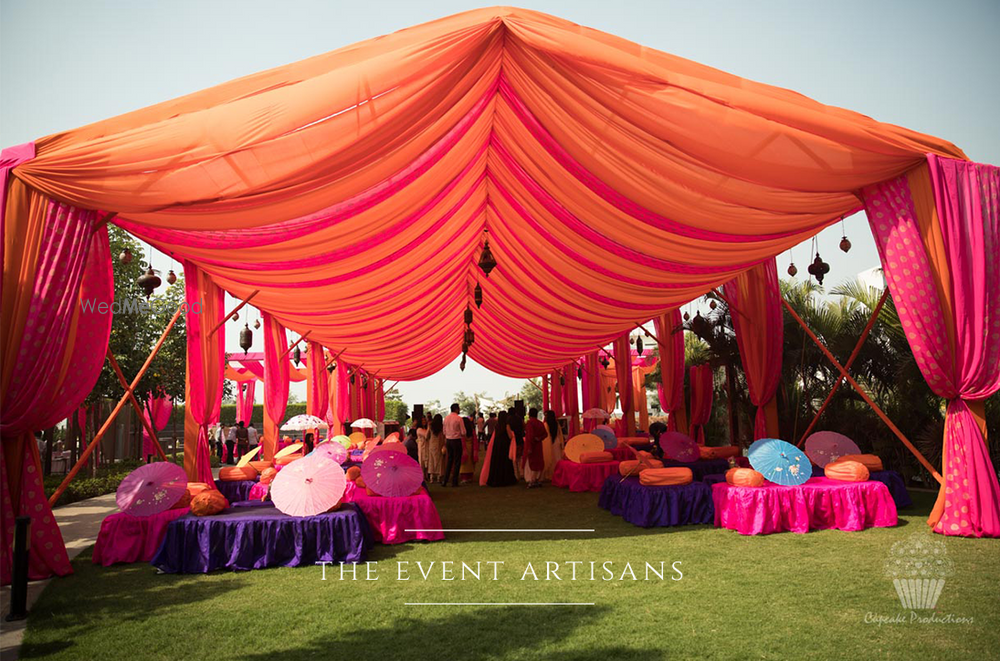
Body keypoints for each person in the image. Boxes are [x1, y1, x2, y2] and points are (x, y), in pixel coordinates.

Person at [480, 410, 517, 487]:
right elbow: (510, 436)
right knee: (505, 463)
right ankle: (506, 479)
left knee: (497, 463)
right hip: (505, 446)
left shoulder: (497, 426)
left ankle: (497, 479)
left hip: (497, 446)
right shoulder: (506, 425)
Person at [522, 408, 547, 488]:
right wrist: (539, 438)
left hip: (531, 445)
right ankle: (538, 479)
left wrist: (529, 447)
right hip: (539, 445)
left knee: (531, 463)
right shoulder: (540, 423)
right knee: (539, 462)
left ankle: (531, 480)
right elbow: (545, 434)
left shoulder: (530, 423)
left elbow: (530, 436)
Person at [442, 403, 464, 487]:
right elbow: (463, 432)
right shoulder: (459, 418)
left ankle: (445, 480)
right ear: (457, 409)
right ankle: (454, 481)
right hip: (456, 440)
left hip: (448, 440)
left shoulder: (446, 418)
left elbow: (444, 431)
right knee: (457, 461)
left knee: (449, 460)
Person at [543, 409, 565, 480]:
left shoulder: (545, 424)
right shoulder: (557, 423)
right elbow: (560, 434)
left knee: (551, 458)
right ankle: (559, 473)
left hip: (549, 443)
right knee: (557, 458)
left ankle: (551, 474)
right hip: (556, 442)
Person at [459, 417, 479, 484]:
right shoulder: (472, 430)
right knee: (470, 462)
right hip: (471, 448)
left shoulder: (462, 430)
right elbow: (475, 440)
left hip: (463, 448)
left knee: (464, 464)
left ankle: (464, 478)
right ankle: (470, 477)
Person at [426, 414, 445, 484]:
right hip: (440, 445)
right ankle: (439, 477)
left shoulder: (430, 426)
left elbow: (426, 436)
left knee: (431, 462)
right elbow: (444, 436)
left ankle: (431, 477)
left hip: (431, 446)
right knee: (439, 462)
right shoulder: (441, 427)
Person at [508, 408, 524, 481]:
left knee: (513, 458)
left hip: (512, 441)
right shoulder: (519, 419)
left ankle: (515, 474)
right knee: (520, 457)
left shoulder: (508, 420)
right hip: (520, 440)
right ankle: (522, 473)